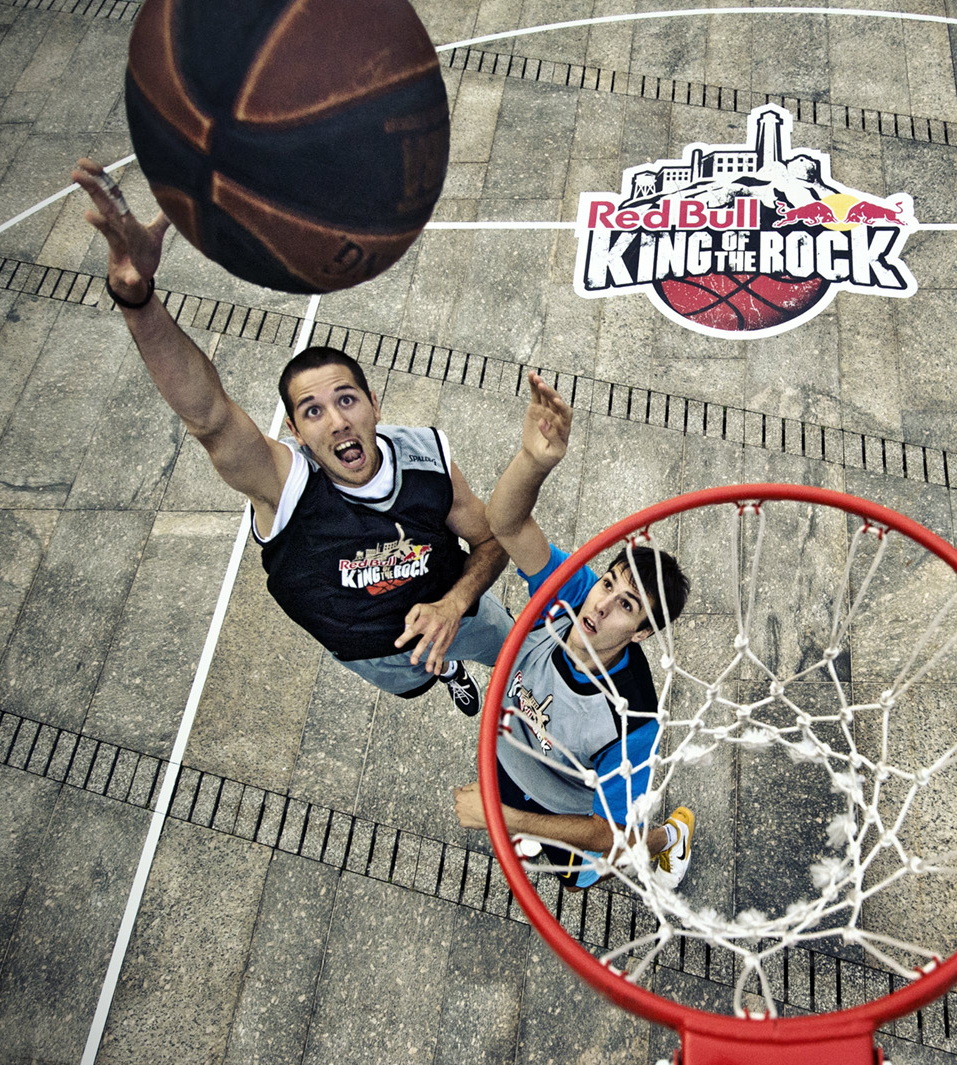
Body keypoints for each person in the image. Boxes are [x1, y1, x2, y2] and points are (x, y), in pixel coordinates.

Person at [71, 158, 508, 712]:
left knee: (514, 654)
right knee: (420, 679)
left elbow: (491, 542)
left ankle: (486, 669)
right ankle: (445, 676)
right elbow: (208, 416)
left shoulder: (427, 456)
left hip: (459, 610)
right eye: (313, 411)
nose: (337, 421)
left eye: (346, 400)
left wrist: (454, 603)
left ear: (375, 406)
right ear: (296, 434)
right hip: (371, 649)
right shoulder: (285, 490)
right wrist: (137, 299)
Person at [453, 372, 694, 889]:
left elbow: (608, 832)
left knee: (587, 869)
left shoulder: (632, 720)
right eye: (609, 582)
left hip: (568, 806)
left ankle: (671, 838)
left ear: (642, 634)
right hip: (513, 762)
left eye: (626, 605)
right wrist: (533, 462)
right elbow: (510, 525)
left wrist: (507, 820)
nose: (601, 604)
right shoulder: (571, 596)